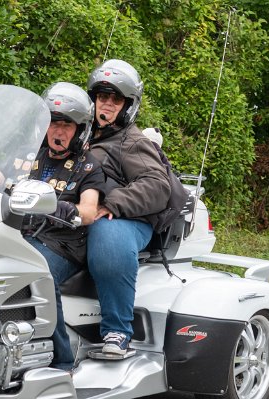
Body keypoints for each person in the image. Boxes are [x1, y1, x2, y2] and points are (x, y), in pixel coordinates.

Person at [86, 59, 172, 357]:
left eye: (115, 99)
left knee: (107, 236)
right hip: (81, 214)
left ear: (128, 105)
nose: (107, 104)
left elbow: (157, 185)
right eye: (102, 97)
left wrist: (112, 203)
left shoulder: (131, 141)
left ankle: (117, 330)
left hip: (128, 220)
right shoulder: (78, 133)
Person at [23, 82, 105, 371]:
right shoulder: (31, 157)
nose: (58, 131)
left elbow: (89, 210)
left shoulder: (88, 166)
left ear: (80, 130)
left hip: (63, 245)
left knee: (39, 274)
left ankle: (62, 361)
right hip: (24, 236)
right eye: (53, 123)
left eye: (66, 125)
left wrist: (62, 207)